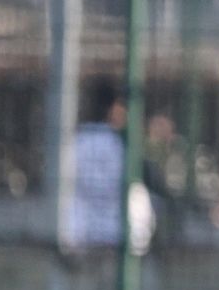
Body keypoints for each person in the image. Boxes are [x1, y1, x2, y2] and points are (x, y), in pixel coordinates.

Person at [65, 81, 154, 253]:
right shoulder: (123, 144)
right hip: (121, 236)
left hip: (80, 235)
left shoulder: (76, 142)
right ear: (114, 108)